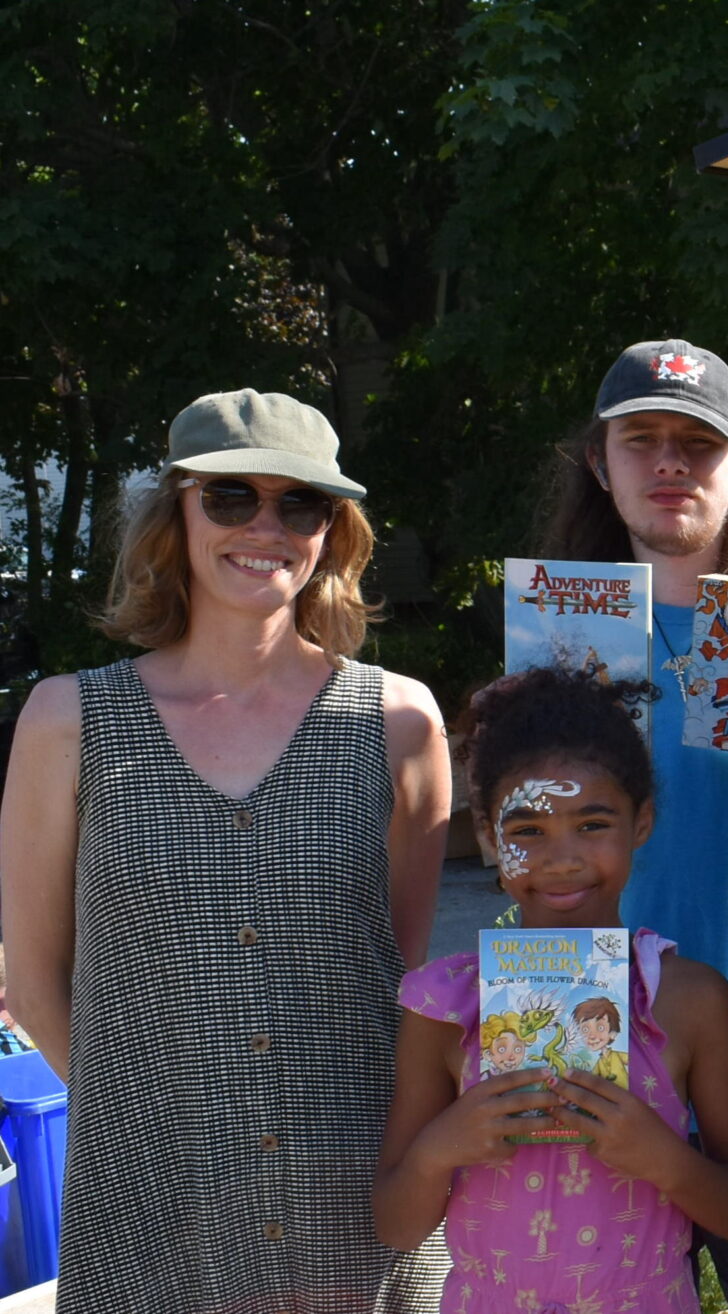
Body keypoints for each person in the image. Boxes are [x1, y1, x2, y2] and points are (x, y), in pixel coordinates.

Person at [0, 389, 452, 1312]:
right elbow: (39, 980)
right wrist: (159, 1118)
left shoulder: (401, 720)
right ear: (177, 513)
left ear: (335, 529)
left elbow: (392, 965)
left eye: (301, 504)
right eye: (232, 497)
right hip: (149, 1214)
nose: (267, 527)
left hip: (360, 1207)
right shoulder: (67, 719)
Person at [538, 338, 728, 1308]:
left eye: (697, 444)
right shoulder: (559, 636)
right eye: (642, 441)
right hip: (608, 1049)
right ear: (601, 462)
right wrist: (503, 764)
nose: (669, 463)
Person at [375, 667, 728, 1312]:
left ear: (641, 822)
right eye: (527, 829)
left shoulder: (688, 1002)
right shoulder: (447, 1011)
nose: (562, 859)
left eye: (592, 824)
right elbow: (396, 1226)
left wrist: (664, 1160)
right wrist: (439, 1149)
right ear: (487, 836)